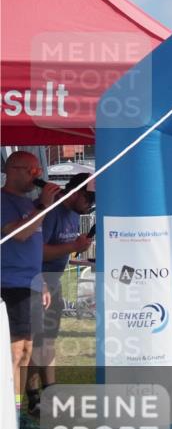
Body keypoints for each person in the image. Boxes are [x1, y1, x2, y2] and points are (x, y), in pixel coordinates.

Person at [1, 152, 61, 429]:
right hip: (10, 285)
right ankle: (9, 416)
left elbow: (34, 248)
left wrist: (42, 283)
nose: (37, 174)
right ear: (14, 170)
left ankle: (19, 411)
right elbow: (19, 235)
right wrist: (42, 205)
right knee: (14, 353)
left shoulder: (28, 204)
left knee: (26, 351)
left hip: (31, 285)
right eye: (32, 170)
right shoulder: (5, 201)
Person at [28, 173, 95, 410]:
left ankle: (50, 392)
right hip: (37, 281)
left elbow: (64, 249)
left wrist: (77, 247)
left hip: (53, 281)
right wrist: (72, 246)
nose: (91, 205)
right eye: (89, 199)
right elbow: (38, 252)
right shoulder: (53, 212)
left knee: (47, 340)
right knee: (35, 342)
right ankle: (33, 396)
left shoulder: (73, 215)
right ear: (75, 192)